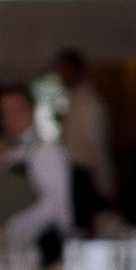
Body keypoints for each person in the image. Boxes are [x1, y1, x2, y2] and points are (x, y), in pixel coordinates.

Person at [0, 83, 69, 267]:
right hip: (14, 246)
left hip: (44, 244)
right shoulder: (8, 154)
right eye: (6, 112)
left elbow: (55, 204)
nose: (13, 116)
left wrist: (13, 225)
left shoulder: (46, 151)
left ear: (31, 109)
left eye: (18, 109)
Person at [51, 47, 114, 232]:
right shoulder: (73, 98)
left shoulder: (88, 102)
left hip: (86, 176)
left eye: (63, 69)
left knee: (88, 230)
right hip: (75, 173)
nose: (60, 74)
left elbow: (96, 144)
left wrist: (105, 184)